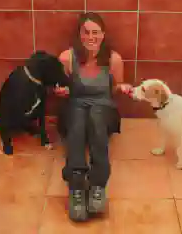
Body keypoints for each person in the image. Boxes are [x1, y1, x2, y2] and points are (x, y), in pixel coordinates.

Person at [55, 12, 133, 222]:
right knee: (79, 120)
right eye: (86, 32)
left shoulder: (113, 59)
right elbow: (60, 87)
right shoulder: (67, 58)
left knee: (97, 117)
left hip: (103, 108)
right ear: (79, 35)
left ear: (103, 34)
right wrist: (61, 90)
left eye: (95, 32)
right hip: (75, 107)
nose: (91, 37)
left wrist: (122, 87)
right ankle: (77, 187)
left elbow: (115, 88)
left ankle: (98, 184)